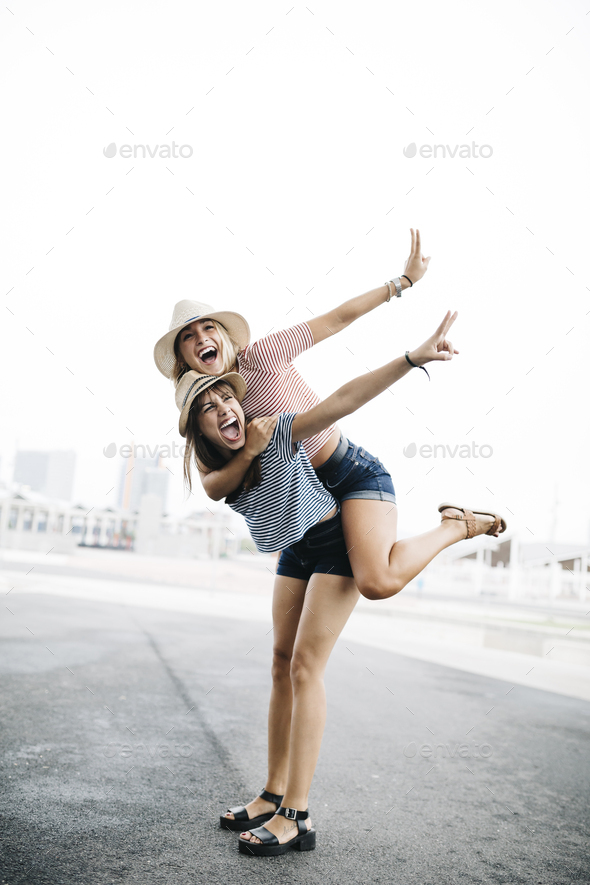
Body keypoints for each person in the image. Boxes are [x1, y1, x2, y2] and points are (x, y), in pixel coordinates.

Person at [175, 312, 506, 856]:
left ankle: (297, 816)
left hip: (340, 517)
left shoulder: (273, 424)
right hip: (297, 540)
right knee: (280, 661)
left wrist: (410, 354)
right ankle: (272, 793)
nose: (223, 409)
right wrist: (249, 445)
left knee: (318, 652)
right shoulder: (221, 465)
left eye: (226, 400)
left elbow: (343, 401)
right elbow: (217, 484)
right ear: (198, 427)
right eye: (208, 408)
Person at [154, 231, 486, 603]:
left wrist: (402, 282)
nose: (201, 337)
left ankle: (455, 527)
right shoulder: (208, 413)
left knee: (376, 583)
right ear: (183, 356)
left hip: (346, 471)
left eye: (208, 327)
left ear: (223, 335)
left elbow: (337, 319)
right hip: (305, 502)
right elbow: (214, 484)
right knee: (288, 655)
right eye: (188, 335)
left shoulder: (262, 355)